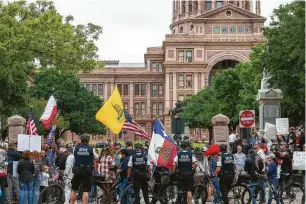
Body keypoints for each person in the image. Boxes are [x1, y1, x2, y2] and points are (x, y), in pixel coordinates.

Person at [70, 134, 98, 204]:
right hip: (87, 171)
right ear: (88, 140)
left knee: (74, 190)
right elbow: (96, 157)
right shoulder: (92, 149)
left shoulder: (75, 148)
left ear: (81, 140)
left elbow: (74, 156)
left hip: (77, 170)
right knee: (85, 191)